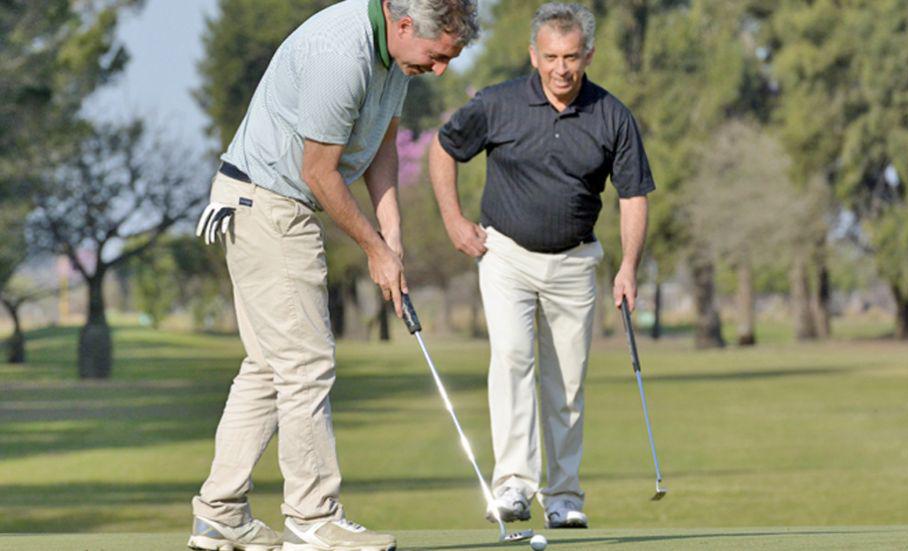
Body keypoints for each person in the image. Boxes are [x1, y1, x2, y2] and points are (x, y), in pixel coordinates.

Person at [189, 1, 478, 550]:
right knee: (306, 365)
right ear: (403, 24)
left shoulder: (395, 59)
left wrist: (392, 236)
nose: (441, 70)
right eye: (438, 57)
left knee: (270, 367)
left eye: (450, 60)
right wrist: (371, 247)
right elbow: (319, 173)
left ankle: (219, 512)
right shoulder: (339, 53)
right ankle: (312, 518)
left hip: (268, 201)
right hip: (268, 204)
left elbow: (381, 146)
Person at [428, 2, 654, 530]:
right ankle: (512, 487)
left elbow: (634, 195)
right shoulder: (497, 104)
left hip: (575, 262)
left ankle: (564, 495)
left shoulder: (612, 115)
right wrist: (454, 221)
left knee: (567, 383)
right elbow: (443, 150)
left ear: (588, 55)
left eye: (572, 57)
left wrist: (629, 268)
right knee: (511, 359)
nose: (561, 68)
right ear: (534, 55)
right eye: (551, 56)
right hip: (505, 254)